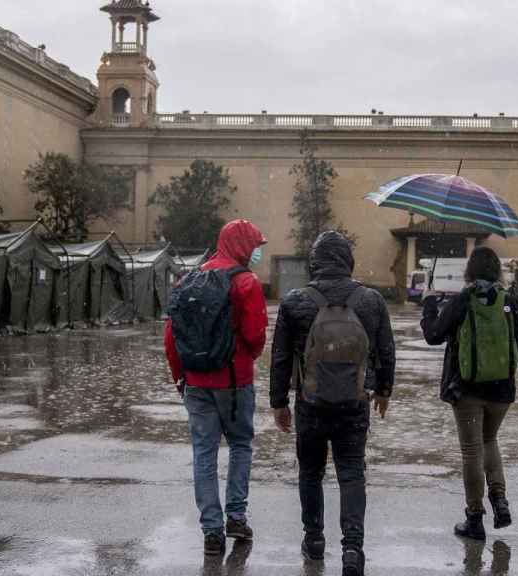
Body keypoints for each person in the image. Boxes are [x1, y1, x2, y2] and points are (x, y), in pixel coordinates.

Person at [270, 231, 396, 576]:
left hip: (310, 404)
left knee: (310, 473)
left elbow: (280, 357)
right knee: (352, 473)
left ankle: (314, 540)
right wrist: (383, 391)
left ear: (315, 262)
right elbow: (385, 350)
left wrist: (278, 402)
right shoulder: (371, 300)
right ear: (348, 261)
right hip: (354, 404)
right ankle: (353, 548)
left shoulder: (295, 301)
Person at [164, 220, 268, 557]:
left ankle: (211, 530)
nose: (256, 251)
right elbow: (254, 338)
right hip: (235, 381)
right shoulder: (246, 283)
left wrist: (181, 377)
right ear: (241, 245)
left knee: (203, 453)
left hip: (195, 381)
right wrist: (243, 358)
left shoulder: (188, 279)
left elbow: (172, 337)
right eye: (254, 245)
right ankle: (236, 516)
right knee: (240, 444)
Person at [421, 246, 518, 540]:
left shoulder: (463, 300)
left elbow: (433, 335)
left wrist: (428, 305)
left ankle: (474, 518)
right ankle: (499, 500)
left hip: (467, 389)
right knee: (489, 440)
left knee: (472, 451)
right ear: (497, 271)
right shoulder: (509, 302)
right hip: (501, 390)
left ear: (470, 271)